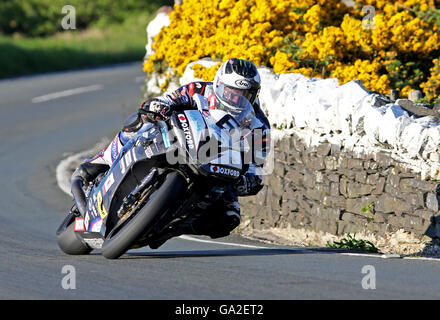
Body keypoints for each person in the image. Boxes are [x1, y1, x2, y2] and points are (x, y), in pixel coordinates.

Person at [70, 58, 270, 247]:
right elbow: (170, 99)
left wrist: (247, 181)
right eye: (231, 93)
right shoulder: (199, 89)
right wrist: (158, 106)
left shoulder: (259, 127)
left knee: (228, 218)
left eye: (245, 96)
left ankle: (170, 228)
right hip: (181, 141)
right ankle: (103, 159)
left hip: (217, 170)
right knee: (139, 122)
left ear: (254, 95)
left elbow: (256, 167)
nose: (237, 100)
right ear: (218, 84)